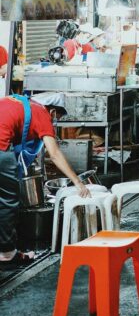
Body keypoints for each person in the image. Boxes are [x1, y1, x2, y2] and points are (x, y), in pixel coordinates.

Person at [1, 93, 89, 263]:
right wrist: (78, 182)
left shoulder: (21, 103)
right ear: (53, 111)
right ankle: (6, 254)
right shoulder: (42, 113)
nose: (54, 122)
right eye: (57, 118)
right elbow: (54, 154)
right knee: (7, 200)